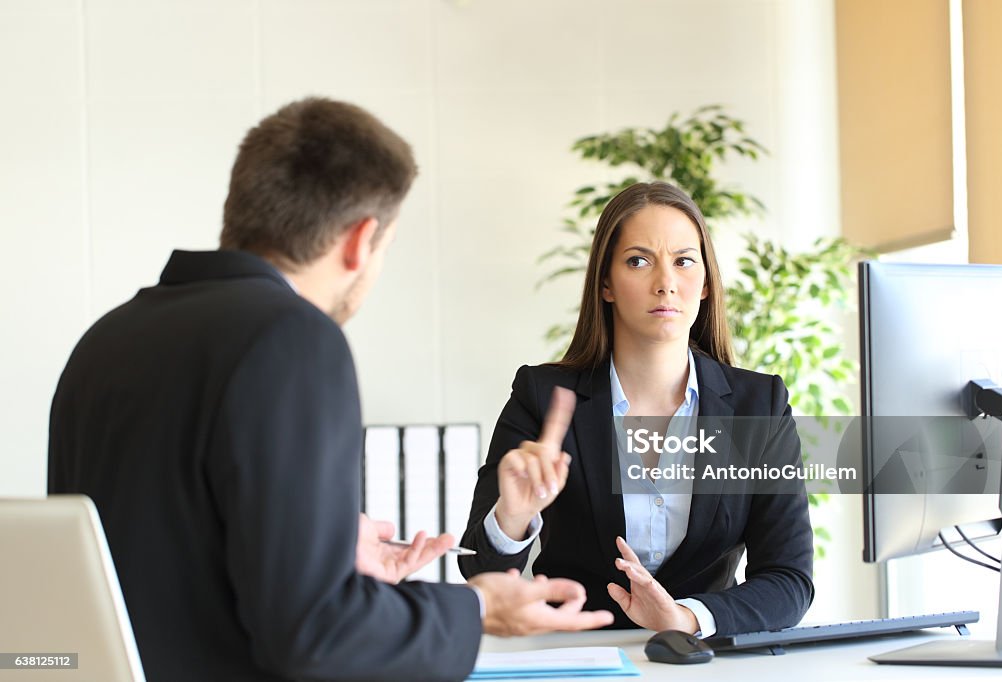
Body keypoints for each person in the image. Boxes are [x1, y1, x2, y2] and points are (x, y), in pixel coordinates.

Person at [48, 97, 612, 682]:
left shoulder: (108, 338)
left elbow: (165, 558)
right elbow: (317, 635)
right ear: (361, 240)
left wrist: (326, 548)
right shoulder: (292, 338)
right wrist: (479, 608)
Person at [459, 181, 814, 637]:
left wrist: (687, 618)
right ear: (605, 284)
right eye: (638, 261)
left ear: (705, 284)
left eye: (684, 261)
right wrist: (512, 515)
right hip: (576, 659)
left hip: (702, 662)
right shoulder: (542, 395)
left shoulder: (758, 405)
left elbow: (789, 580)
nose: (665, 283)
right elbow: (479, 573)